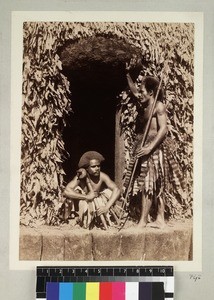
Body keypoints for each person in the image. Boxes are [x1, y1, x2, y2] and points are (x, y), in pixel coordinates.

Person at [124, 58, 185, 229]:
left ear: (151, 92)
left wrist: (150, 147)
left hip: (156, 149)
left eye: (143, 91)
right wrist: (128, 75)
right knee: (151, 182)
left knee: (153, 183)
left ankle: (149, 219)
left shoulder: (159, 107)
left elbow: (163, 129)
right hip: (146, 148)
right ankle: (155, 219)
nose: (140, 94)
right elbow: (134, 91)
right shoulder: (145, 105)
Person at [63, 151, 121, 229]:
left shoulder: (102, 176)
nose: (97, 168)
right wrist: (86, 197)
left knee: (110, 192)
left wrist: (106, 207)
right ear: (87, 168)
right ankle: (69, 219)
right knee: (70, 197)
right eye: (93, 166)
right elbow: (66, 191)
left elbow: (116, 190)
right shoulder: (80, 177)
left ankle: (102, 219)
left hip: (98, 204)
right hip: (84, 202)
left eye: (98, 166)